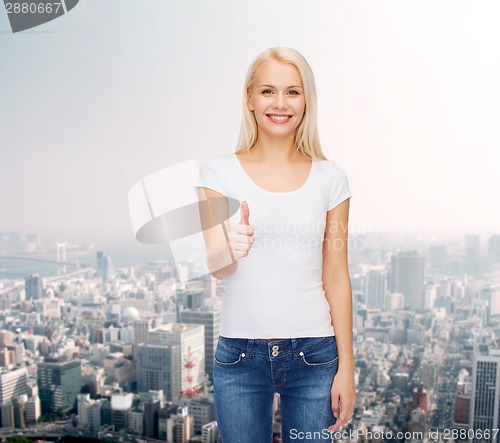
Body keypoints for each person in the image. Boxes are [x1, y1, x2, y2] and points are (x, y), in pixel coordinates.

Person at [196, 47, 356, 443]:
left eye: (293, 92)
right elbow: (217, 265)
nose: (280, 104)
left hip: (315, 354)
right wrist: (230, 247)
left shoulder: (331, 178)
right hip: (239, 357)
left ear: (307, 101)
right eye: (268, 91)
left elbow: (336, 275)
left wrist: (347, 367)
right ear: (249, 99)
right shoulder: (218, 172)